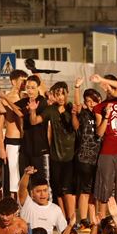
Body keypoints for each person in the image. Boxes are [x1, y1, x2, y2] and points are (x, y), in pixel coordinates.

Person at [90, 74, 117, 220]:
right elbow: (99, 133)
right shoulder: (99, 107)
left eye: (112, 86)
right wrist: (106, 116)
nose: (109, 89)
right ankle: (102, 218)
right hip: (107, 153)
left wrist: (104, 80)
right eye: (106, 88)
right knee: (105, 186)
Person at [29, 81, 76, 219]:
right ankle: (63, 218)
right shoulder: (51, 110)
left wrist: (73, 114)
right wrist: (32, 110)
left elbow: (76, 127)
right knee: (58, 190)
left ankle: (72, 219)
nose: (61, 97)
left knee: (69, 190)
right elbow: (34, 121)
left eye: (63, 94)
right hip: (55, 156)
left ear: (67, 93)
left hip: (71, 156)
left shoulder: (71, 107)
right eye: (57, 94)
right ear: (54, 96)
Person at [71, 79, 101, 227]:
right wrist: (77, 87)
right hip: (84, 158)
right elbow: (76, 105)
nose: (91, 103)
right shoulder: (84, 114)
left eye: (94, 101)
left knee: (95, 191)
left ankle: (93, 218)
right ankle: (83, 219)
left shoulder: (102, 114)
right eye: (88, 101)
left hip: (99, 158)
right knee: (84, 190)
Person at [0, 69, 27, 194]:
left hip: (25, 142)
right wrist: (1, 149)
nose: (24, 84)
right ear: (14, 81)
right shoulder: (4, 99)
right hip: (11, 142)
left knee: (23, 178)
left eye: (26, 81)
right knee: (13, 180)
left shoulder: (26, 99)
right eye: (22, 81)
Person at [17, 167, 67, 234]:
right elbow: (22, 189)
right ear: (32, 193)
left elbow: (64, 233)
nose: (42, 194)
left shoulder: (56, 209)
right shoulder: (27, 204)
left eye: (45, 190)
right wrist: (26, 174)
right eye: (38, 191)